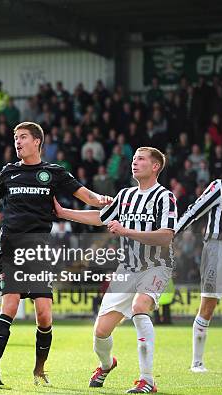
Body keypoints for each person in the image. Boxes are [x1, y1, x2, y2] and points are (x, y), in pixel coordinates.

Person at [0, 121, 112, 389]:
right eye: (15, 138)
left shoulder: (52, 173)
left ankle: (39, 370)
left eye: (22, 137)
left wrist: (102, 199)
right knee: (9, 306)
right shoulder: (8, 172)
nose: (17, 142)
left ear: (37, 142)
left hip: (40, 248)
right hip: (11, 246)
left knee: (44, 315)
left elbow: (85, 195)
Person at [54, 147, 177, 394]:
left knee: (140, 308)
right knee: (100, 332)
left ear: (155, 167)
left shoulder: (165, 197)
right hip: (127, 269)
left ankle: (147, 380)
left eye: (140, 159)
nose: (134, 163)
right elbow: (100, 217)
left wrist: (126, 231)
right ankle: (106, 364)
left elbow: (165, 237)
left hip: (156, 266)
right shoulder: (125, 195)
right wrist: (64, 213)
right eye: (133, 159)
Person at [173, 150, 222, 373]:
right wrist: (172, 234)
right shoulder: (221, 187)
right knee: (208, 307)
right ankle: (197, 363)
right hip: (217, 250)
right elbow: (194, 211)